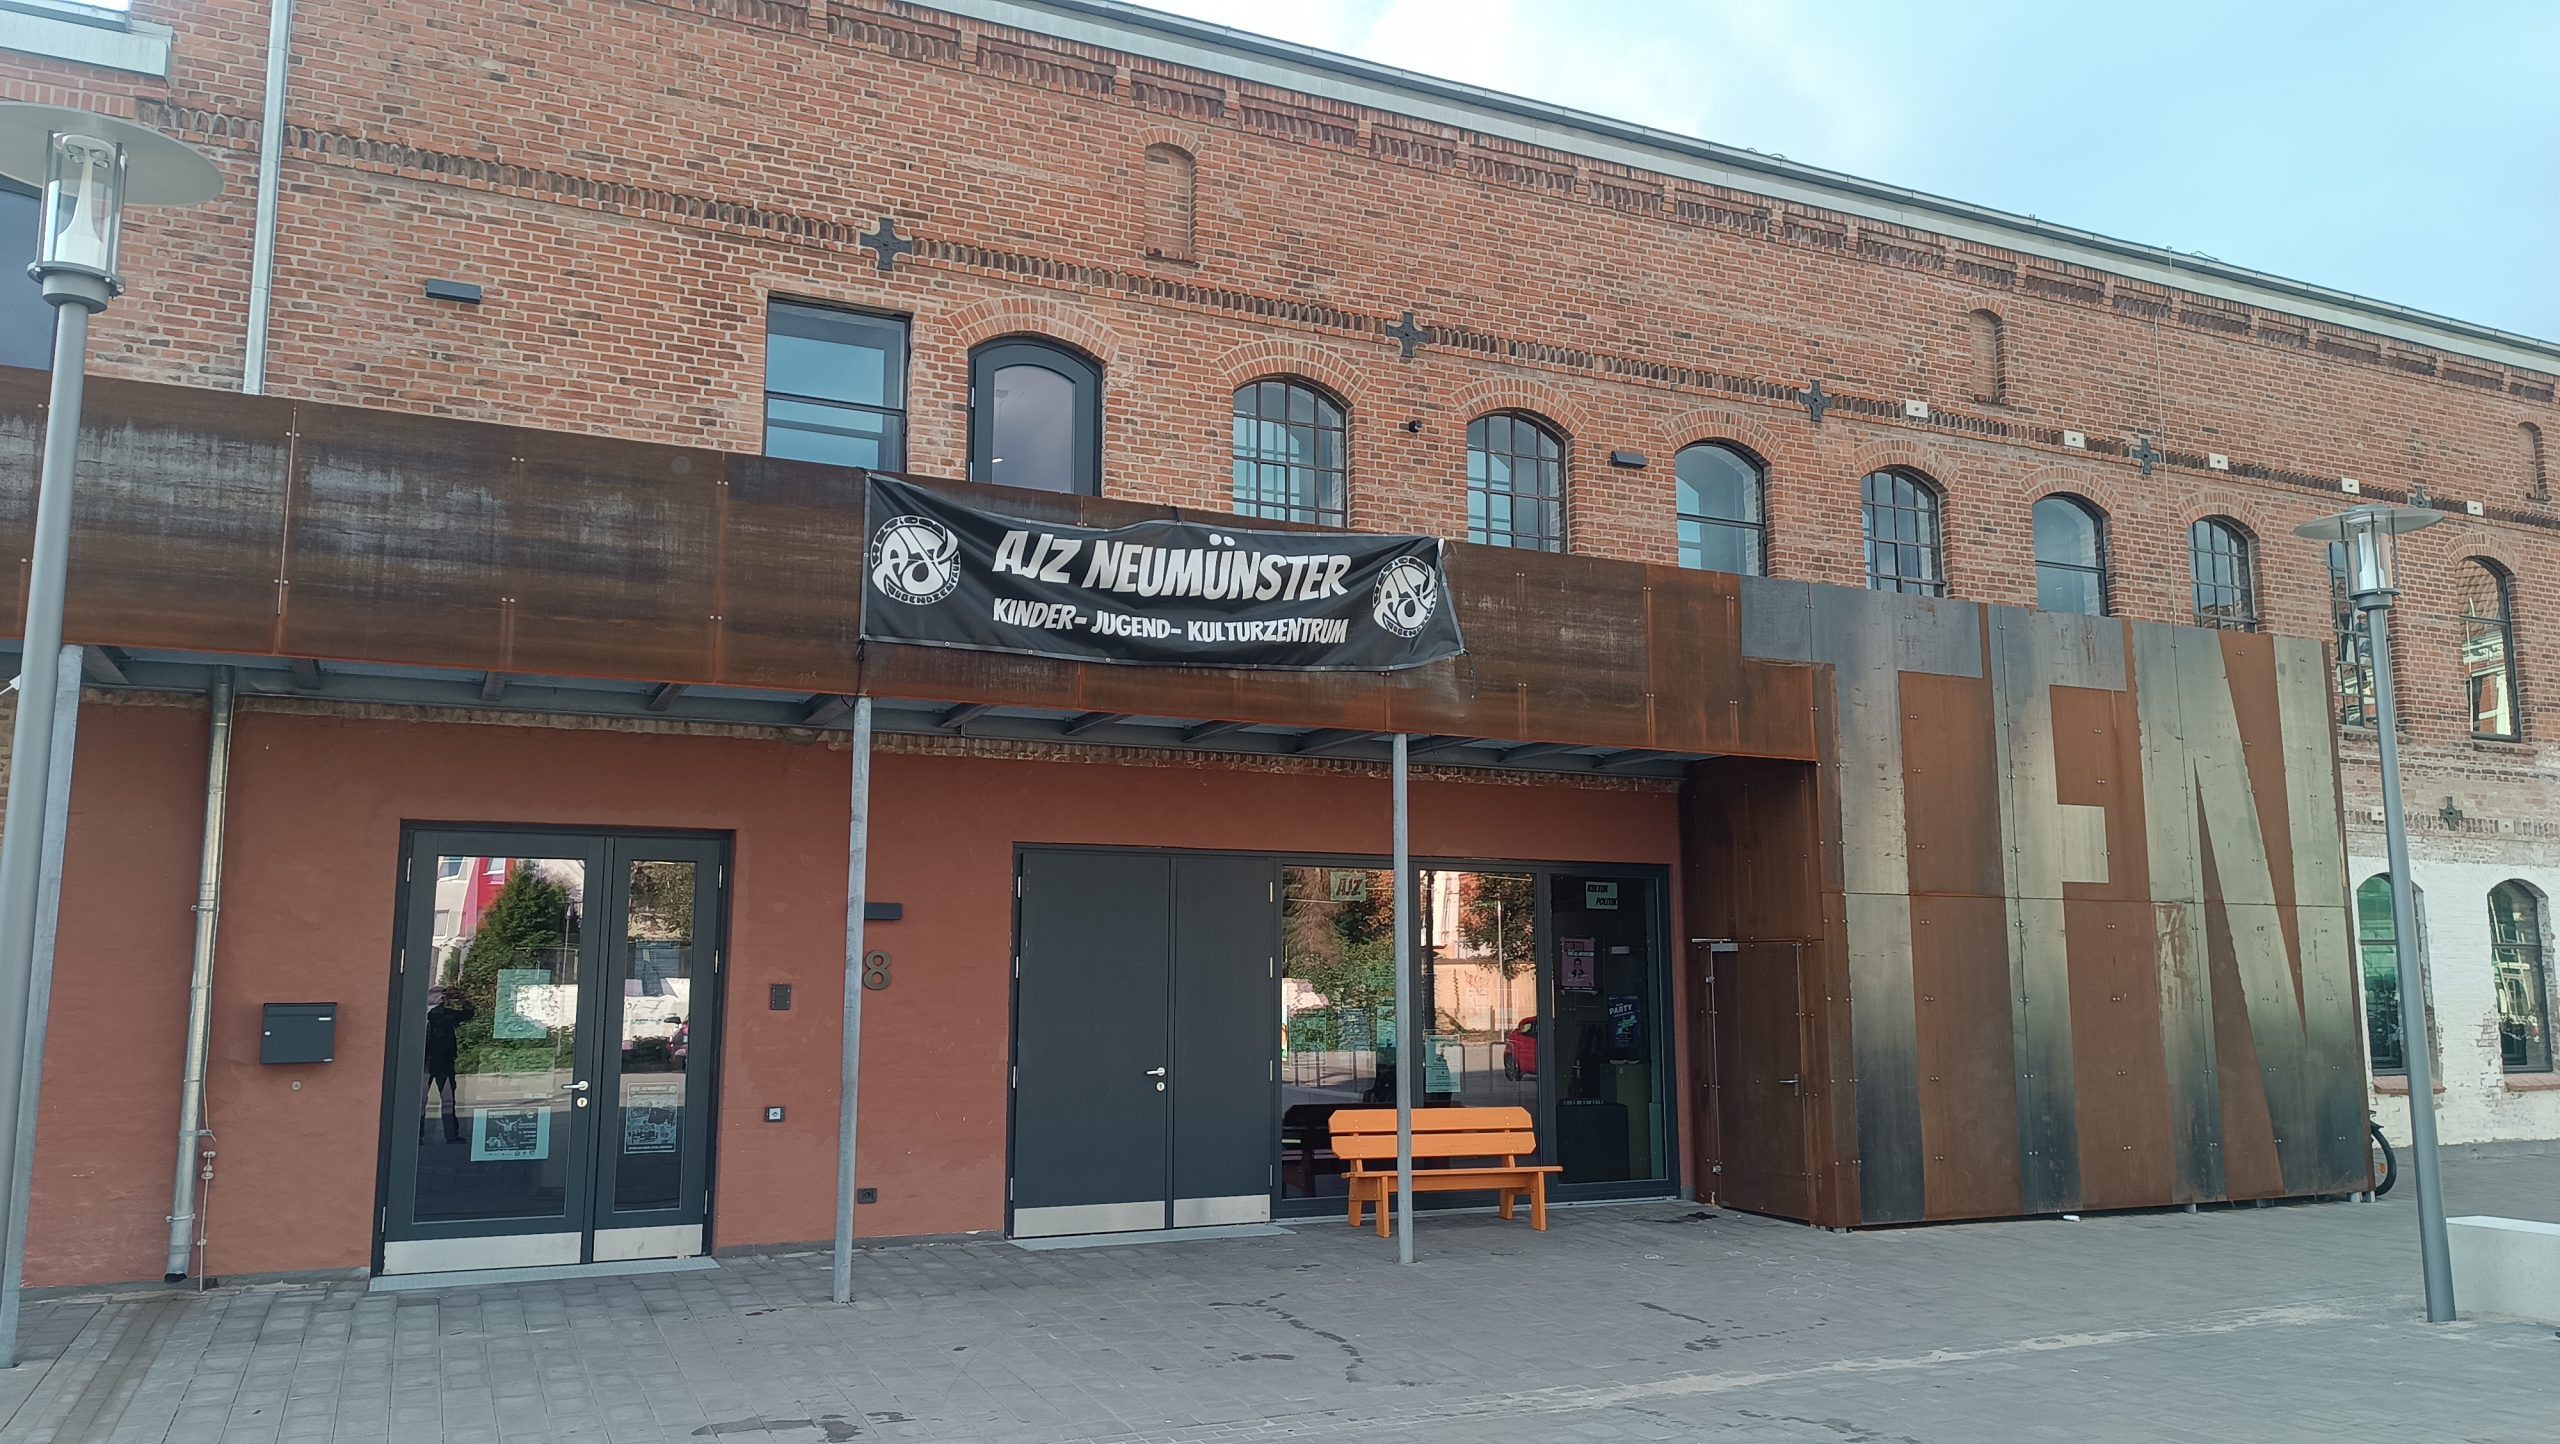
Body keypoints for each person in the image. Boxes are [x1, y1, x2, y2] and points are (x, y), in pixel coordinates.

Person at [423, 986, 476, 1143]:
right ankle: (418, 1136)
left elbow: (468, 1014)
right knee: (423, 1101)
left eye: (441, 996)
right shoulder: (422, 1014)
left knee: (448, 1100)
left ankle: (451, 1135)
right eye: (438, 995)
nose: (440, 998)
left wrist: (462, 999)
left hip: (442, 1063)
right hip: (427, 1063)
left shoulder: (446, 1014)